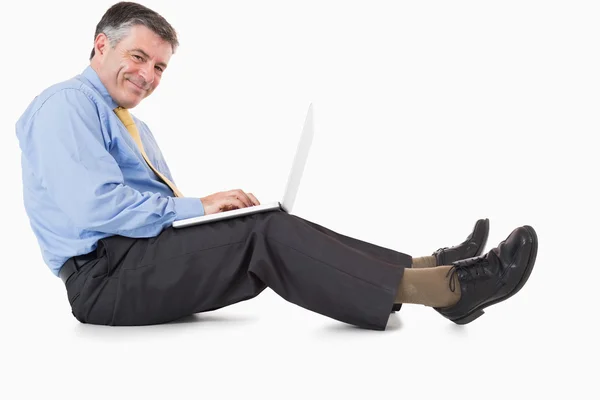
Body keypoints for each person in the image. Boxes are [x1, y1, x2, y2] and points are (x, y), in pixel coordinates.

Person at [15, 1, 538, 330]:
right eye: (138, 57)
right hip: (104, 281)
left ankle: (429, 266)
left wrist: (208, 216)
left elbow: (144, 212)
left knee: (269, 224)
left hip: (130, 262)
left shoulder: (130, 124)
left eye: (159, 67)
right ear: (101, 44)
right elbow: (95, 206)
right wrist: (199, 206)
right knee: (264, 233)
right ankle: (451, 291)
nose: (148, 75)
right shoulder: (66, 105)